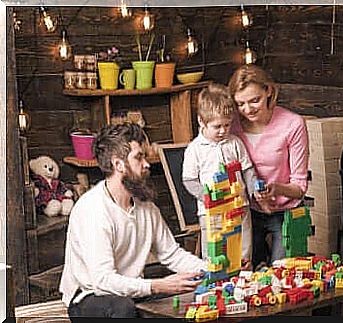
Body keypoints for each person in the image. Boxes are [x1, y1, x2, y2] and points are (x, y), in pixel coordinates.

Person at [59, 123, 206, 319]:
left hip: (129, 291)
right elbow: (102, 280)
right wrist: (156, 285)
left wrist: (210, 270)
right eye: (139, 157)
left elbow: (172, 254)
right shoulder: (92, 209)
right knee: (123, 309)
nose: (146, 164)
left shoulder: (146, 206)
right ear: (118, 164)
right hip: (89, 295)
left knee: (192, 294)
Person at [228, 64, 310, 270]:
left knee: (282, 273)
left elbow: (300, 187)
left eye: (255, 100)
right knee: (247, 274)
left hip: (285, 213)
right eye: (240, 104)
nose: (248, 110)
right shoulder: (231, 126)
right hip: (247, 212)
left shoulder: (293, 124)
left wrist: (276, 188)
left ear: (268, 91)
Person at [182, 83, 258, 268]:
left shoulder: (234, 143)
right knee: (215, 253)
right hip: (212, 212)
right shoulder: (195, 149)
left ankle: (244, 279)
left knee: (243, 250)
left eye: (227, 125)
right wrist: (206, 195)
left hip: (239, 206)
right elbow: (189, 180)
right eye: (217, 127)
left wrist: (254, 188)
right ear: (201, 121)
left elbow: (247, 169)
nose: (223, 131)